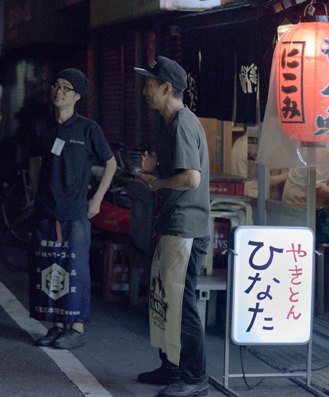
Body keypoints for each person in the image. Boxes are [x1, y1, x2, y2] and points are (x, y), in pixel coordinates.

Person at [132, 56, 210, 397]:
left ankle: (195, 378)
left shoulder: (181, 124)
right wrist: (157, 166)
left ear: (167, 89)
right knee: (165, 298)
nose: (144, 90)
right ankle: (171, 367)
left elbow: (192, 179)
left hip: (186, 227)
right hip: (174, 225)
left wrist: (155, 181)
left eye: (149, 85)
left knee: (181, 301)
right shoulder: (170, 123)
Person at [27, 68, 117, 350]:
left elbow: (111, 163)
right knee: (47, 269)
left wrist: (97, 199)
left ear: (77, 96)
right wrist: (35, 192)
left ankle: (76, 329)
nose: (59, 91)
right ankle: (56, 325)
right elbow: (34, 162)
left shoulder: (89, 129)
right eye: (55, 85)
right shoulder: (41, 127)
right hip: (45, 210)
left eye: (66, 88)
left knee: (75, 269)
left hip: (76, 212)